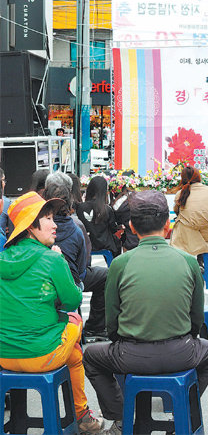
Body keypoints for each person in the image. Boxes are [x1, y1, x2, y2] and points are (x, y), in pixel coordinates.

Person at [83, 190, 208, 435]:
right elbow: (196, 319)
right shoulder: (188, 261)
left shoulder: (120, 264)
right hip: (181, 352)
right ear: (168, 225)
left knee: (92, 357)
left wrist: (122, 341)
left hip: (131, 354)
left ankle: (121, 416)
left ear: (131, 227)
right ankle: (185, 413)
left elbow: (111, 322)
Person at [0, 191, 104, 433]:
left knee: (75, 354)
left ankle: (21, 418)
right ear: (29, 226)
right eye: (47, 218)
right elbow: (72, 300)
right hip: (41, 356)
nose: (54, 224)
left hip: (3, 354)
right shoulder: (52, 260)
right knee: (75, 321)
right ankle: (82, 416)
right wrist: (62, 264)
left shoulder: (3, 258)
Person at [44, 172, 108, 340]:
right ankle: (96, 327)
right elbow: (82, 267)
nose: (53, 226)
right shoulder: (75, 227)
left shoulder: (35, 224)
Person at [170, 166, 208, 257]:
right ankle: (202, 260)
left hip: (188, 235)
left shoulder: (180, 194)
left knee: (180, 223)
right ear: (198, 177)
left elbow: (176, 211)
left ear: (182, 178)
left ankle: (185, 262)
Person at [76, 175, 121, 257]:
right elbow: (113, 229)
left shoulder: (80, 207)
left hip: (86, 244)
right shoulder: (107, 209)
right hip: (105, 245)